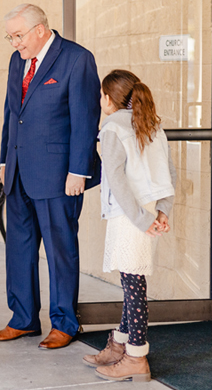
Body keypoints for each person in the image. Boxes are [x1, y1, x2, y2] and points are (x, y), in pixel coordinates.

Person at [0, 4, 101, 349]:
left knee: (60, 250)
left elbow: (85, 118)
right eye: (10, 37)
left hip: (58, 176)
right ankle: (22, 319)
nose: (14, 43)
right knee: (19, 250)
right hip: (19, 171)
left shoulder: (77, 59)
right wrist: (6, 159)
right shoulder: (16, 62)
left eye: (17, 36)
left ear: (40, 30)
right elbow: (12, 113)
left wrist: (78, 170)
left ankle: (64, 322)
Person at [83, 70, 176, 382]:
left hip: (130, 216)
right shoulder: (151, 123)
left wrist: (141, 220)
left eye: (100, 96)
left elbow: (118, 180)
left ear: (109, 99)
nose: (99, 101)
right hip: (148, 211)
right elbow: (167, 171)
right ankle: (119, 344)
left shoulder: (112, 127)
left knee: (133, 284)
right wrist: (161, 211)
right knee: (130, 280)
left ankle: (136, 356)